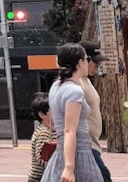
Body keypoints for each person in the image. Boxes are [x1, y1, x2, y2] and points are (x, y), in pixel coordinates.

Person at [40, 43, 102, 182]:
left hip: (61, 152)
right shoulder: (74, 91)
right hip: (79, 152)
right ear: (80, 62)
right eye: (86, 59)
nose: (88, 62)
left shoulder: (56, 86)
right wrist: (69, 168)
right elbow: (70, 131)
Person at [80, 41, 113, 182]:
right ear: (84, 61)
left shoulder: (86, 81)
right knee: (104, 177)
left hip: (93, 144)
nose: (98, 65)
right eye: (95, 62)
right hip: (85, 145)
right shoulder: (76, 84)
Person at [29, 93, 55, 182]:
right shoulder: (44, 132)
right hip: (40, 178)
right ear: (42, 115)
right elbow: (42, 158)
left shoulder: (52, 131)